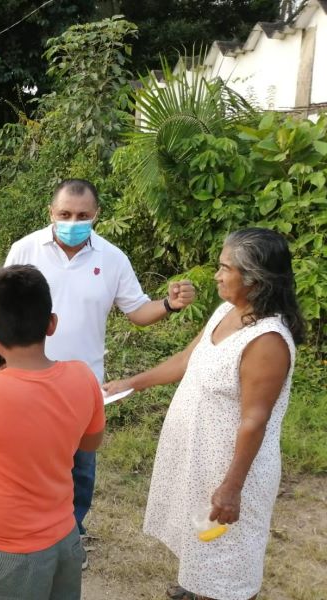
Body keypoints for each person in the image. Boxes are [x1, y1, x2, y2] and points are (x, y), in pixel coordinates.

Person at [0, 178, 195, 563]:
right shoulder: (25, 249)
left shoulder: (112, 259)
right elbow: (1, 307)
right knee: (25, 464)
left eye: (83, 216)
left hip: (83, 389)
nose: (73, 221)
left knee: (80, 472)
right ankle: (27, 538)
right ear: (51, 213)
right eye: (65, 214)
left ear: (96, 216)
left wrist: (168, 304)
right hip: (24, 381)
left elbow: (137, 312)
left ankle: (71, 535)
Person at [104, 228, 305, 600]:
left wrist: (231, 488)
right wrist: (132, 382)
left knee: (227, 563)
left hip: (229, 469)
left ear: (254, 279)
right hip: (200, 461)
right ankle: (196, 587)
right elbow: (187, 359)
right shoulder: (228, 311)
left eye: (224, 267)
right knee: (201, 542)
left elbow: (254, 421)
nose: (216, 275)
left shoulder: (267, 341)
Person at [0, 265, 105, 600]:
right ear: (52, 324)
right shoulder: (83, 377)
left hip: (6, 552)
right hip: (64, 536)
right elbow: (90, 442)